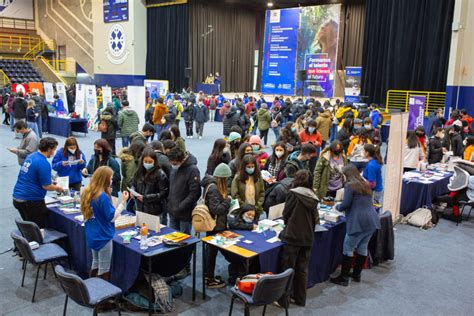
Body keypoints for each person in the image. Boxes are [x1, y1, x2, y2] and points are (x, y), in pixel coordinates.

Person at [331, 165, 380, 286]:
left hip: (358, 222)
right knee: (363, 246)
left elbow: (345, 204)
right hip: (372, 220)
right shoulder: (364, 183)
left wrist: (336, 206)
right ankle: (357, 274)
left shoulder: (350, 185)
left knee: (348, 248)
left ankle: (344, 278)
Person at [278, 170, 319, 307]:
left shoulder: (293, 194)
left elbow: (286, 214)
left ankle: (284, 300)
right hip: (307, 237)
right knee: (302, 269)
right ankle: (300, 299)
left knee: (287, 268)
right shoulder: (313, 196)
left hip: (293, 236)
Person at [81, 166, 129, 279]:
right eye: (111, 178)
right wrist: (123, 202)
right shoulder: (102, 196)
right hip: (103, 236)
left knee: (95, 263)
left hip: (92, 234)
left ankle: (91, 288)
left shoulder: (88, 192)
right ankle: (102, 293)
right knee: (104, 269)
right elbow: (111, 217)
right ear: (105, 179)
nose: (112, 180)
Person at [12, 137, 64, 228]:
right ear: (49, 149)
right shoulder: (43, 163)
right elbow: (46, 186)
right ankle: (35, 241)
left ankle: (29, 240)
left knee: (29, 225)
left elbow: (33, 175)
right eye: (54, 149)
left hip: (18, 197)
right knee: (37, 228)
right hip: (30, 200)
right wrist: (58, 188)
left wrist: (50, 181)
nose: (54, 152)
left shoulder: (31, 156)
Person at [202, 163, 232, 288]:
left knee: (210, 252)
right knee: (211, 253)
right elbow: (216, 209)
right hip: (215, 226)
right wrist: (228, 201)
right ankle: (209, 279)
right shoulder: (214, 188)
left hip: (214, 224)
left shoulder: (211, 185)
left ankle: (208, 276)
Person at [167, 146, 201, 235]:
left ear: (182, 160)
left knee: (184, 239)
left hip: (184, 213)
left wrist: (181, 206)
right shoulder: (174, 167)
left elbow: (195, 193)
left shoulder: (192, 170)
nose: (172, 165)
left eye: (174, 163)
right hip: (172, 210)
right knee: (173, 237)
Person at [131, 148, 169, 217]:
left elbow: (163, 194)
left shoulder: (160, 174)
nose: (147, 164)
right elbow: (133, 184)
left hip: (154, 210)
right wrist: (132, 190)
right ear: (142, 161)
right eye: (145, 161)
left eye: (150, 162)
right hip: (140, 208)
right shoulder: (139, 172)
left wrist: (146, 198)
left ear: (154, 161)